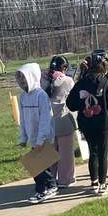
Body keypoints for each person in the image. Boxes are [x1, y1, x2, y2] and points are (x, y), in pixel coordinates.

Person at [66, 54, 108, 195]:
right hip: (102, 122)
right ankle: (103, 184)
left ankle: (93, 183)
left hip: (86, 122)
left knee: (92, 152)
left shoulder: (80, 83)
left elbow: (70, 104)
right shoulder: (104, 81)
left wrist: (82, 105)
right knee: (102, 152)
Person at [16, 62, 57, 203]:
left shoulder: (41, 95)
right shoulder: (22, 97)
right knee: (38, 165)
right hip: (33, 136)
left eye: (24, 78)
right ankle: (47, 187)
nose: (21, 82)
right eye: (19, 79)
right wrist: (23, 137)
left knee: (39, 165)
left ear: (32, 77)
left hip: (44, 136)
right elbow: (23, 119)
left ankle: (44, 189)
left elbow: (46, 119)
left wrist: (41, 140)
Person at [41, 55, 76, 188]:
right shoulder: (68, 80)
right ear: (65, 68)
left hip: (47, 121)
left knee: (50, 154)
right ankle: (65, 180)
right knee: (66, 154)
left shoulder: (42, 79)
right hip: (64, 119)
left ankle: (50, 179)